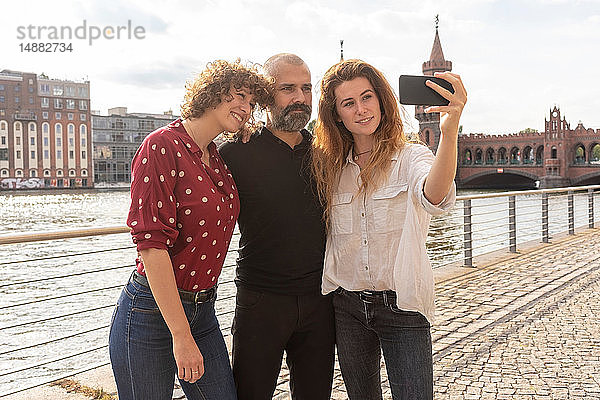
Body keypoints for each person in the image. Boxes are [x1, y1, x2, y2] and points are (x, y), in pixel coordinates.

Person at [108, 60, 271, 400]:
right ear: (211, 93)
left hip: (202, 308)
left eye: (252, 103)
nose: (245, 107)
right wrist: (181, 337)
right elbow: (151, 246)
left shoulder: (215, 157)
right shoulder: (162, 145)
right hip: (150, 313)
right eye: (238, 95)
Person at [311, 59, 467, 400]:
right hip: (347, 306)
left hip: (403, 305)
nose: (361, 109)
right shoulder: (330, 166)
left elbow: (434, 195)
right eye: (348, 103)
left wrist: (449, 129)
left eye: (367, 97)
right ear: (336, 114)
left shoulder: (411, 157)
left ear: (382, 100)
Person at [219, 53, 335, 400]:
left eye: (306, 88)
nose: (300, 98)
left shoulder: (326, 153)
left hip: (320, 302)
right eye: (288, 89)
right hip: (261, 302)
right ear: (266, 95)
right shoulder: (235, 154)